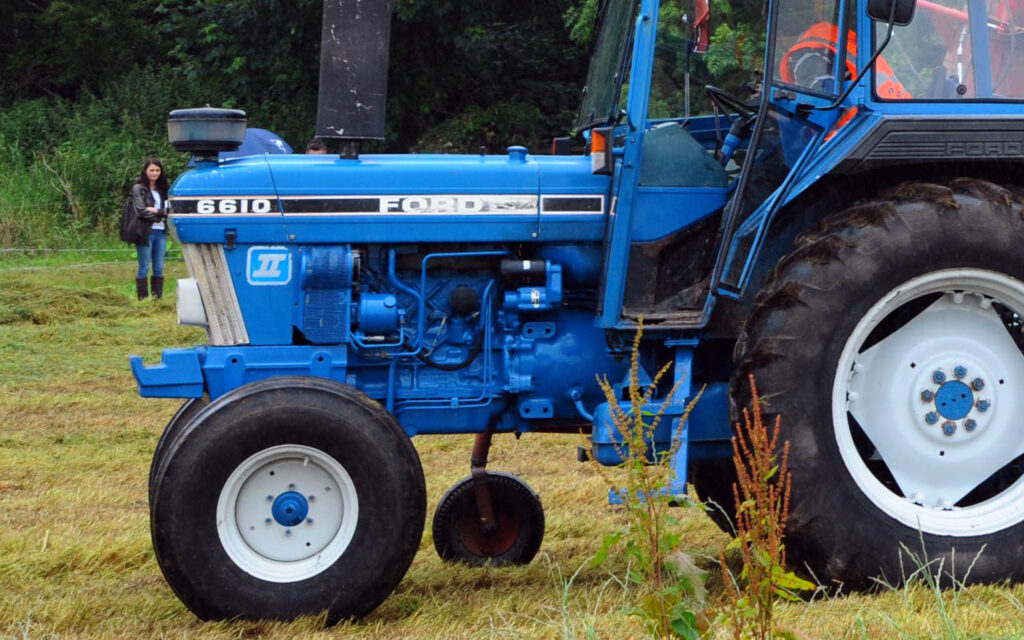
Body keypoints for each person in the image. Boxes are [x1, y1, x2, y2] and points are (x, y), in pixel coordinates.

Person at [779, 22, 910, 99]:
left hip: (854, 127)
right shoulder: (835, 36)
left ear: (780, 36)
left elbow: (822, 100)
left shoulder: (806, 52)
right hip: (895, 111)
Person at [131, 158, 169, 300]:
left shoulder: (163, 189)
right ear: (145, 171)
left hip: (161, 233)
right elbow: (141, 210)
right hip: (145, 232)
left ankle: (157, 298)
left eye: (157, 170)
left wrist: (157, 211)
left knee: (159, 266)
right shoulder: (139, 189)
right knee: (144, 266)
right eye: (151, 170)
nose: (154, 173)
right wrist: (160, 214)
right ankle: (143, 299)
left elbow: (170, 209)